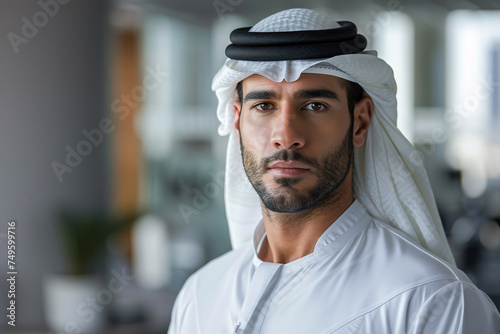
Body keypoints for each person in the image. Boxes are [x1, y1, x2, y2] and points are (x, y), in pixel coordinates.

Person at [168, 8, 500, 333]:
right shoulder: (200, 294)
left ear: (361, 121)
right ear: (238, 120)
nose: (286, 136)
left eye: (315, 106)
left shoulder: (430, 302)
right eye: (264, 106)